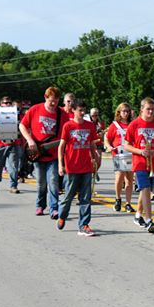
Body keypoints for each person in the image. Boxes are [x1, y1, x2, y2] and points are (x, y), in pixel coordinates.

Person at [123, 97, 154, 233]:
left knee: (145, 191)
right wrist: (140, 152)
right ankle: (149, 220)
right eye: (148, 109)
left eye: (153, 109)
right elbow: (126, 145)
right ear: (141, 109)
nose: (151, 112)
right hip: (140, 163)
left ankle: (138, 216)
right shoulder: (134, 124)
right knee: (146, 189)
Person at [57, 99, 100, 237]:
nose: (82, 113)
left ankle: (84, 225)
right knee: (68, 196)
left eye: (84, 110)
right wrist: (60, 164)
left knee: (86, 198)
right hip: (72, 167)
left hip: (86, 167)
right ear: (73, 110)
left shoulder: (89, 125)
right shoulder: (68, 126)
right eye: (80, 110)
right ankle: (62, 215)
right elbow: (61, 147)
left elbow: (92, 144)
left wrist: (95, 159)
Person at [19, 86, 64, 218]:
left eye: (56, 100)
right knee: (41, 182)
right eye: (51, 100)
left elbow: (68, 131)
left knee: (53, 181)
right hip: (37, 153)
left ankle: (54, 208)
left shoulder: (62, 114)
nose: (53, 103)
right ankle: (40, 205)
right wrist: (30, 140)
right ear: (45, 97)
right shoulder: (35, 109)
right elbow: (22, 125)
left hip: (54, 154)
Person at [105, 102, 135, 214]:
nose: (126, 113)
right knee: (119, 177)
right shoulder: (114, 125)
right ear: (119, 112)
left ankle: (128, 203)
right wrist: (109, 146)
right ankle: (118, 199)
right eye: (123, 111)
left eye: (127, 111)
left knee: (129, 179)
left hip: (130, 154)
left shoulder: (132, 125)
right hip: (118, 154)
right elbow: (107, 138)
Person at [0, 96, 22, 192]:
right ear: (1, 104)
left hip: (14, 144)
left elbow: (23, 127)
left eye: (9, 103)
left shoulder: (17, 115)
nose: (8, 104)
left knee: (13, 166)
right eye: (5, 103)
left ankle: (13, 186)